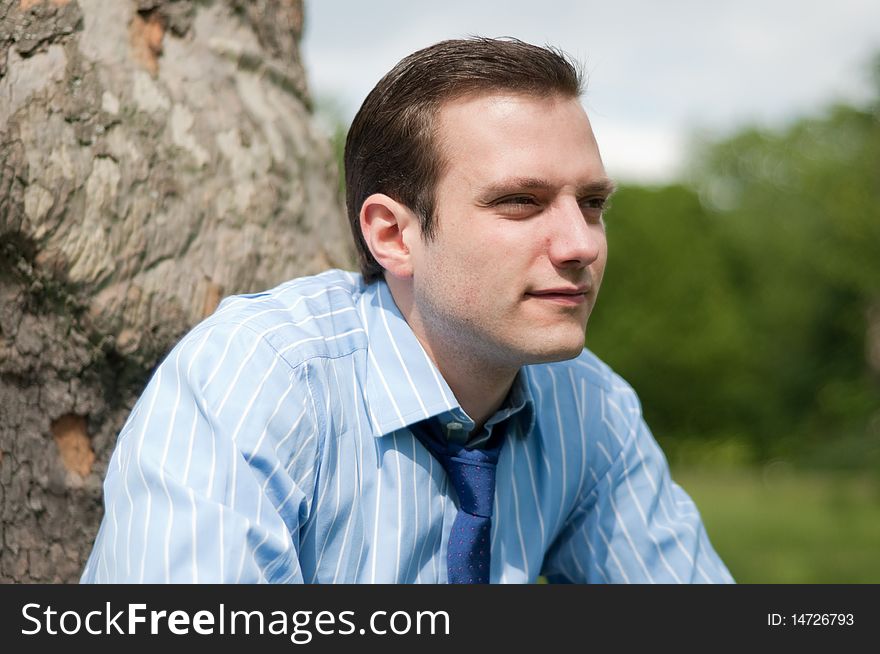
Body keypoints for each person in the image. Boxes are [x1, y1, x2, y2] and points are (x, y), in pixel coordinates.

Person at [81, 37, 733, 584]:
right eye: (520, 202)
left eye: (591, 203)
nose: (582, 244)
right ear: (393, 235)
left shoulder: (589, 407)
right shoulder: (259, 379)